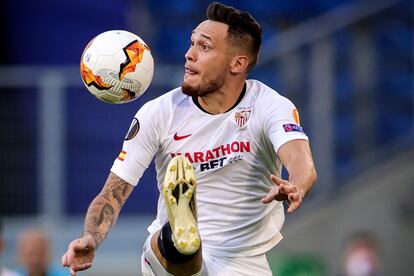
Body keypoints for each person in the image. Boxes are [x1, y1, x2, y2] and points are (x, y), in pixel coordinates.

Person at [61, 2, 317, 275]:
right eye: (191, 43)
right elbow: (114, 192)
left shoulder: (268, 105)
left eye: (204, 47)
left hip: (244, 262)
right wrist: (91, 236)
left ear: (238, 63)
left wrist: (297, 185)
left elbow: (300, 159)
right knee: (179, 248)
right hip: (168, 257)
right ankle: (183, 235)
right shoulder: (159, 113)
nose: (189, 54)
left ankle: (185, 240)